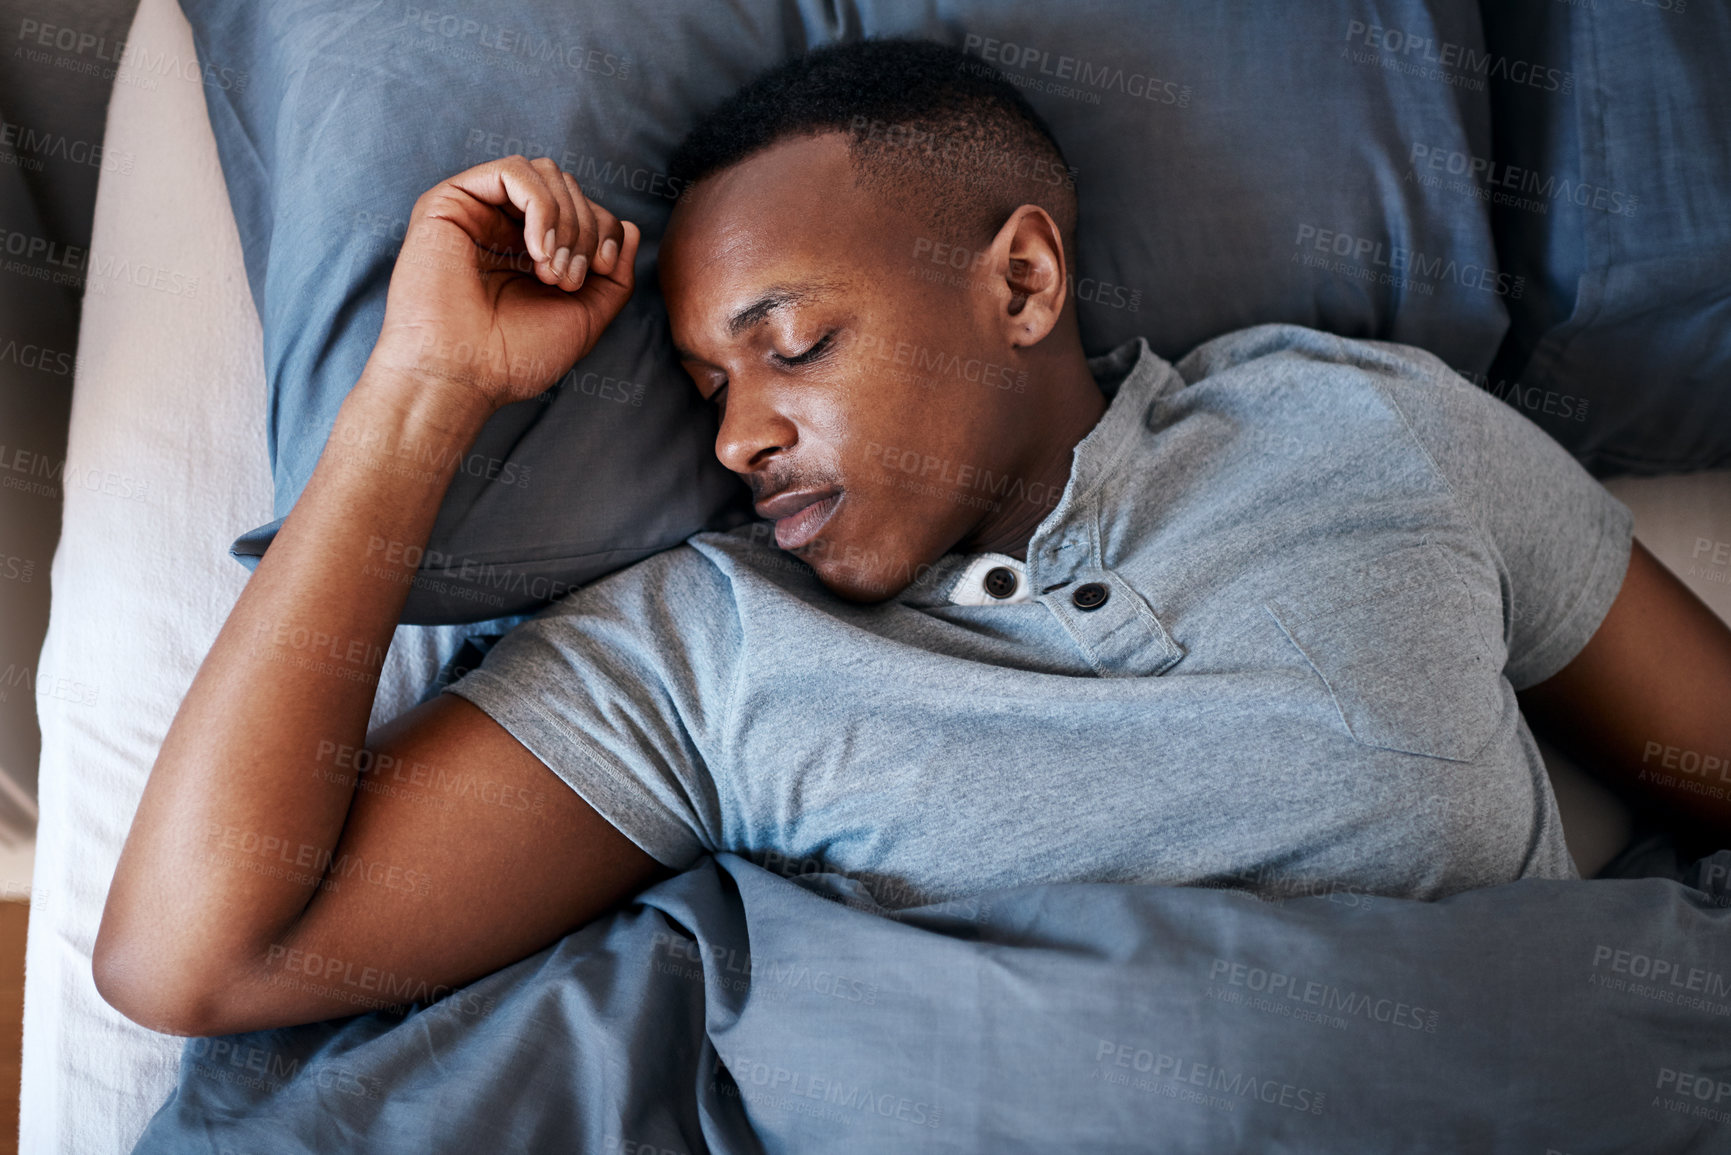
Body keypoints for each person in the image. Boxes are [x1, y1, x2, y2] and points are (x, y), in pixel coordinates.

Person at [94, 39, 1731, 1037]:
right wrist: (423, 390)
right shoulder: (703, 650)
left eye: (792, 345)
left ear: (1021, 283)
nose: (735, 437)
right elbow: (198, 957)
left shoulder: (1373, 425)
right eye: (706, 387)